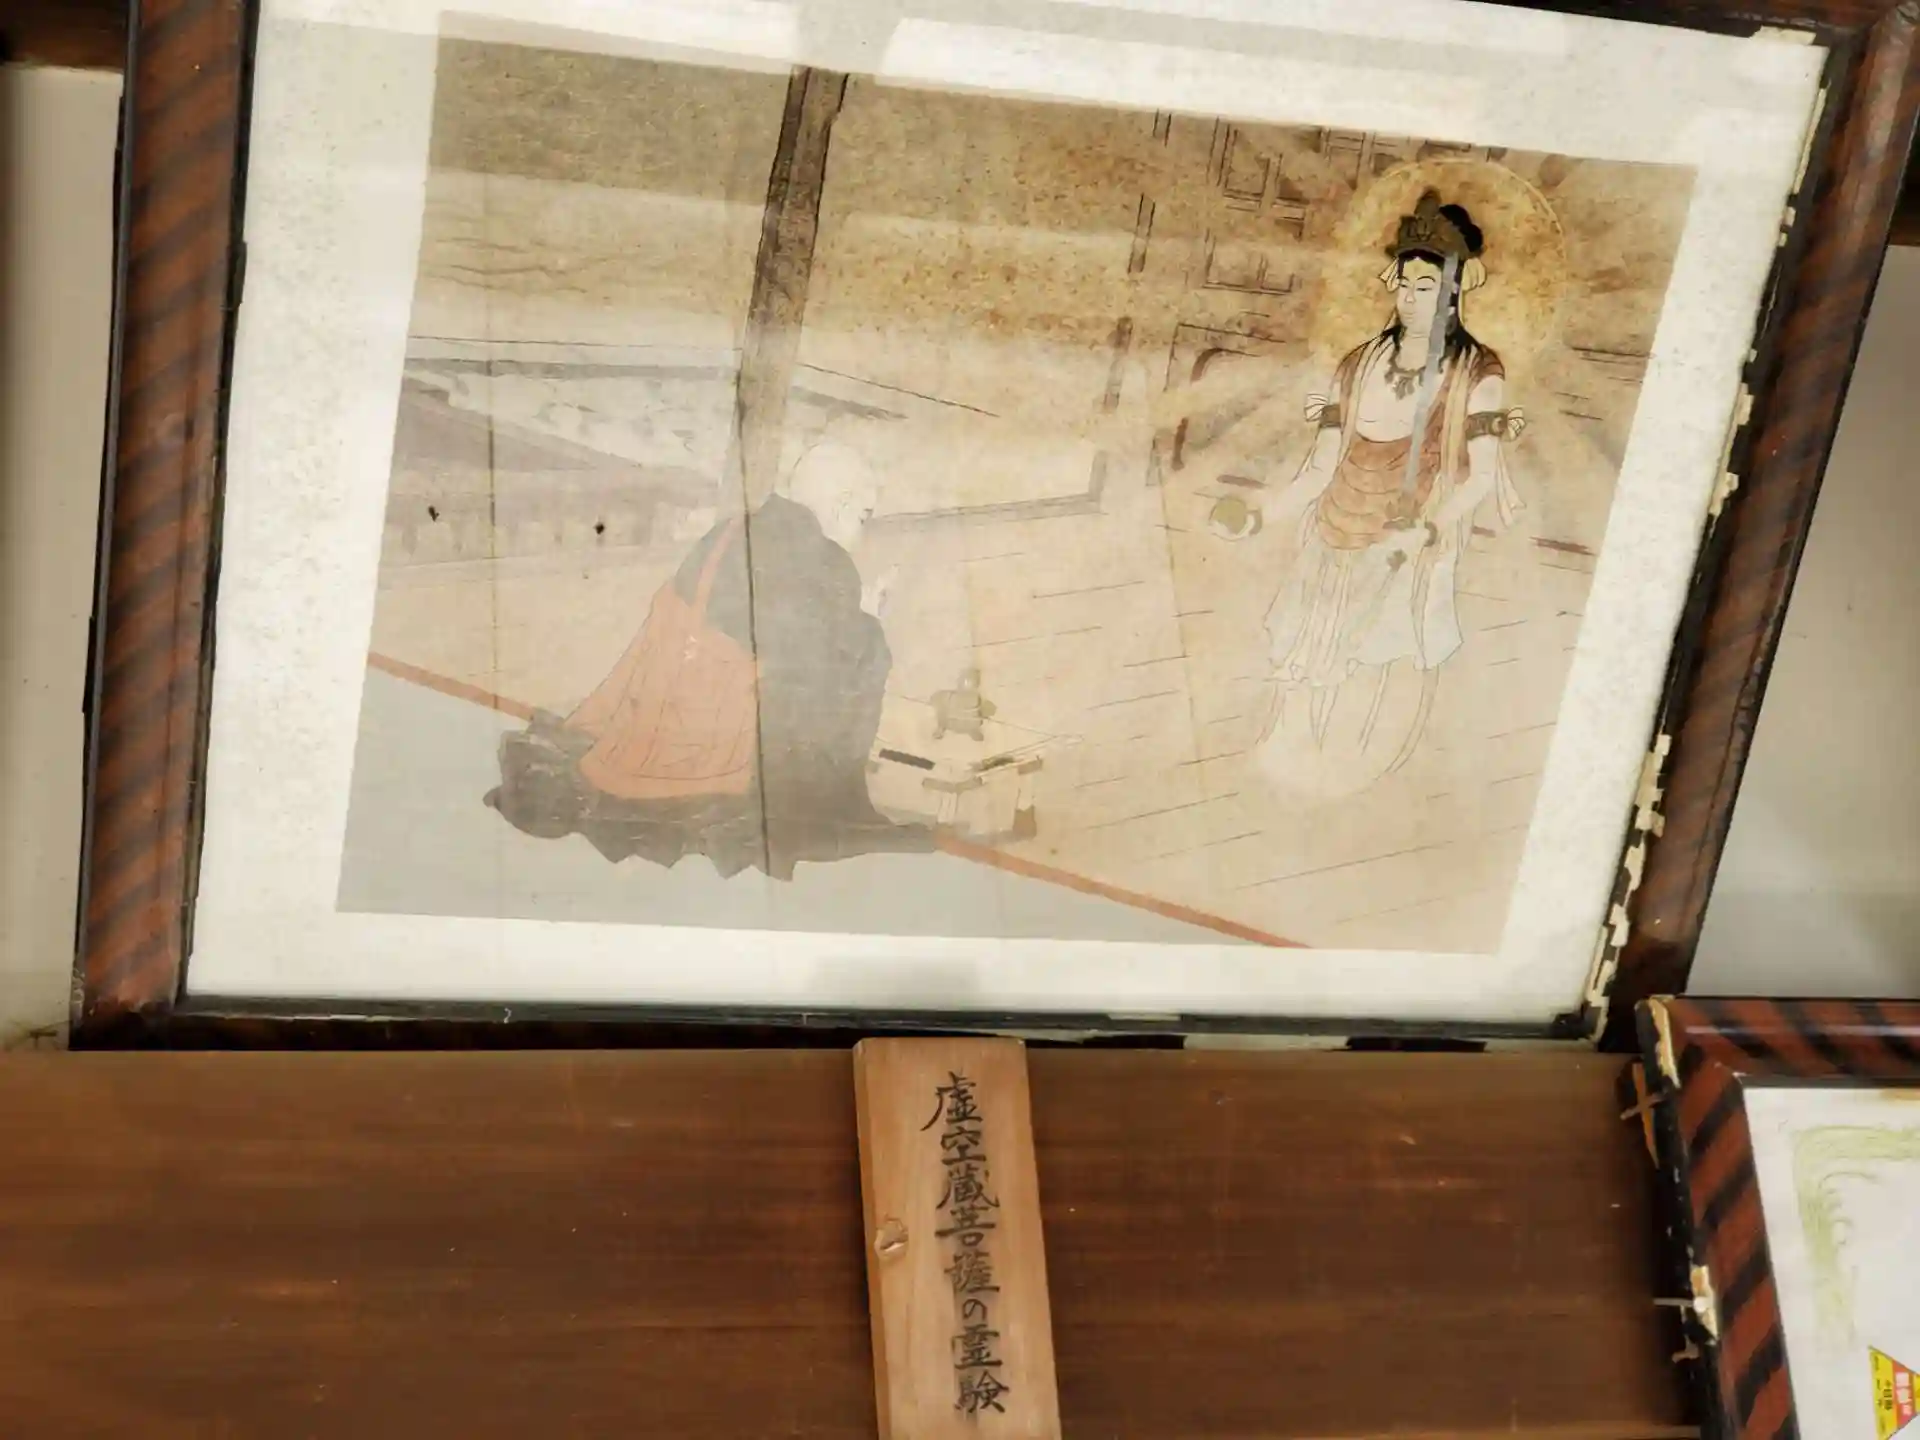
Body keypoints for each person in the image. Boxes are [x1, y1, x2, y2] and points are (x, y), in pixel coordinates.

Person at [485, 434, 930, 879]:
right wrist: (868, 620)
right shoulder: (826, 560)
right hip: (719, 750)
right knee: (865, 655)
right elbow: (818, 680)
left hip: (663, 719)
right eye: (864, 518)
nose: (862, 536)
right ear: (841, 504)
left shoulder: (731, 531)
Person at [1258, 190, 1525, 780]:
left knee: (1374, 668)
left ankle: (1357, 774)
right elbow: (1320, 467)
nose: (1409, 298)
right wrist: (1262, 511)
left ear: (1453, 289)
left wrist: (1425, 530)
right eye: (1403, 284)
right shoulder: (1358, 364)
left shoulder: (1477, 373)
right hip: (1333, 533)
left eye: (1425, 287)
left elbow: (1480, 477)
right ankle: (1287, 765)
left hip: (1408, 540)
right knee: (1300, 665)